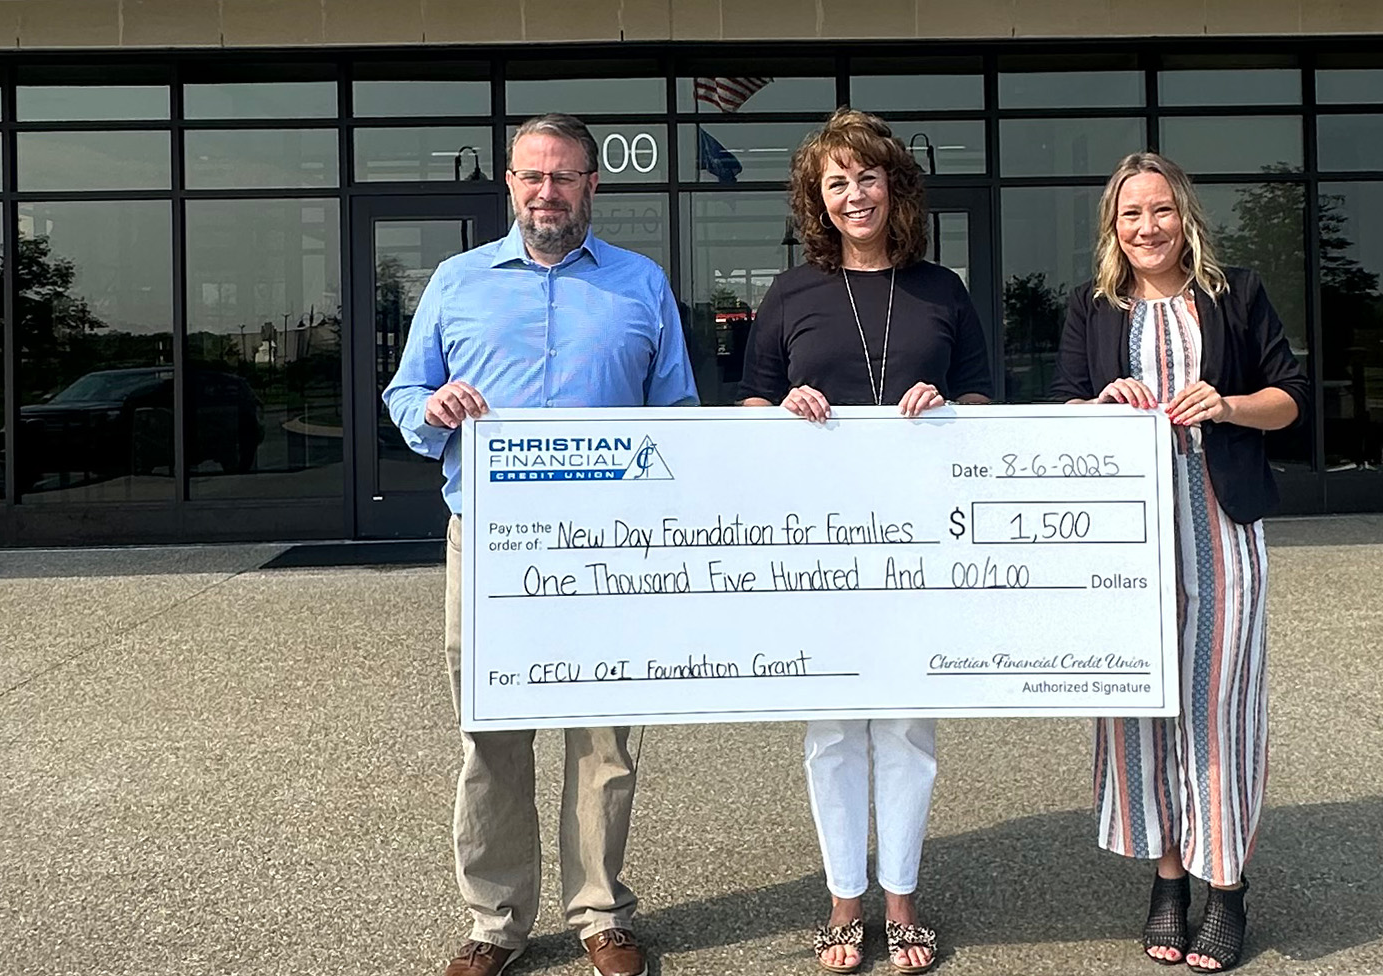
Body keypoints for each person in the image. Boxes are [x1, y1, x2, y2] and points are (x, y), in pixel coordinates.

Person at [383, 112, 697, 976]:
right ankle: (495, 923)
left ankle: (601, 911)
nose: (546, 192)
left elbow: (676, 417)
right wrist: (431, 409)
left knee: (604, 738)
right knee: (493, 735)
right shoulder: (456, 282)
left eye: (563, 176)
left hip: (610, 550)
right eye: (531, 176)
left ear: (593, 184)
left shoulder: (641, 285)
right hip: (490, 550)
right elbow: (406, 393)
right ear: (510, 185)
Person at [736, 107, 993, 975]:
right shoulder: (790, 293)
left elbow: (986, 404)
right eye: (836, 182)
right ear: (818, 196)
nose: (854, 195)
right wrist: (782, 412)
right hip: (820, 550)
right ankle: (845, 899)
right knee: (835, 730)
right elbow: (749, 409)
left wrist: (949, 412)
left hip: (922, 545)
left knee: (909, 730)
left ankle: (902, 899)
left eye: (868, 178)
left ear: (896, 187)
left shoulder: (943, 289)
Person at [1051, 151, 1306, 973]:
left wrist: (1227, 403)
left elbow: (1289, 397)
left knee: (1218, 708)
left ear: (1183, 216)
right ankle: (1168, 883)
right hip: (1128, 545)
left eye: (1160, 211)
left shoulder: (1235, 296)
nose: (1147, 227)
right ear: (1113, 228)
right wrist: (1099, 405)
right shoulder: (1091, 308)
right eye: (1132, 215)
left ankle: (1225, 885)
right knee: (1142, 707)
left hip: (1222, 531)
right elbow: (1061, 406)